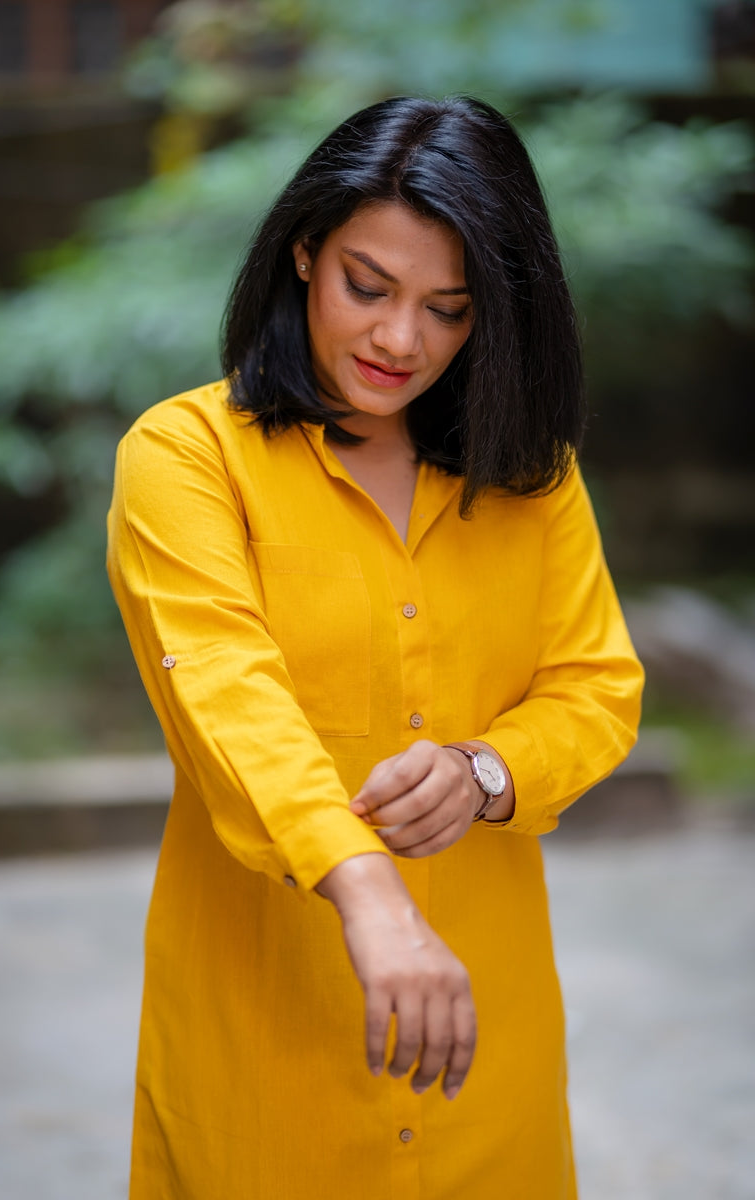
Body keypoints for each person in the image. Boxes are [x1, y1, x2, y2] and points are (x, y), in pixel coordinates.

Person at [107, 94, 644, 1199]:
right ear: (304, 252)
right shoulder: (189, 457)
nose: (401, 340)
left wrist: (484, 773)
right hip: (264, 1048)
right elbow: (224, 696)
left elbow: (595, 689)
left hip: (483, 1056)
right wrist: (372, 895)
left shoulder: (530, 477)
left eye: (449, 309)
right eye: (369, 287)